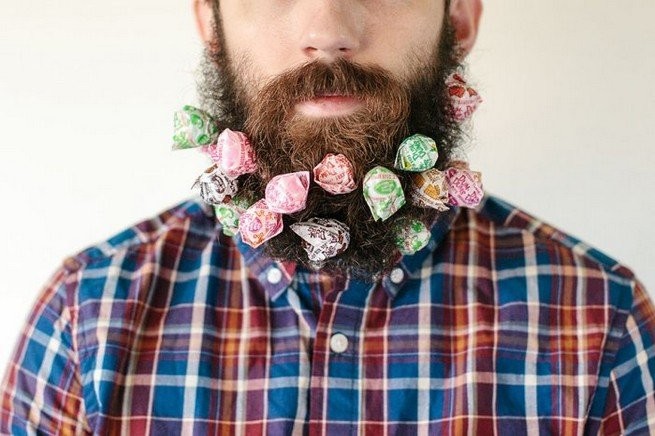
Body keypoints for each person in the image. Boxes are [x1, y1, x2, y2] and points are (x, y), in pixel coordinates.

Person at [2, 0, 654, 434]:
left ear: (457, 20)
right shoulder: (85, 319)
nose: (328, 28)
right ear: (213, 25)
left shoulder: (599, 324)